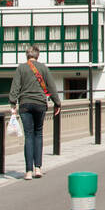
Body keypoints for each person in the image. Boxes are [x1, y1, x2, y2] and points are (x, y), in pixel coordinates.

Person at [10, 45, 63, 179]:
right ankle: (38, 168)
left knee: (28, 136)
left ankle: (28, 171)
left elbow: (15, 86)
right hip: (40, 103)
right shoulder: (43, 68)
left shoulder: (21, 68)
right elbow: (51, 86)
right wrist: (57, 103)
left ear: (27, 55)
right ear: (38, 55)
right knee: (38, 134)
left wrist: (12, 103)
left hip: (25, 104)